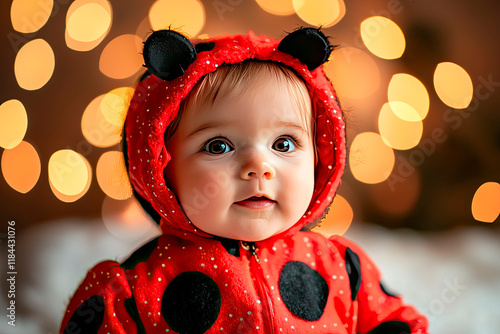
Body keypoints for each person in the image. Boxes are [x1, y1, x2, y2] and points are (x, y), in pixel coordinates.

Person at [60, 27, 429, 333]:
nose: (259, 167)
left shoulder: (341, 268)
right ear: (161, 169)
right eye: (218, 146)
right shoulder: (132, 291)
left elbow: (397, 323)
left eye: (284, 143)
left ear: (319, 157)